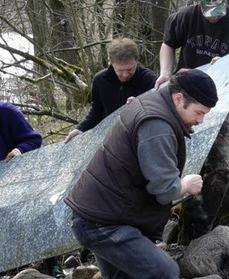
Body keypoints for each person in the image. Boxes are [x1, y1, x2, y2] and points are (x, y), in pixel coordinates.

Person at [65, 69, 218, 279]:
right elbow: (164, 190)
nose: (201, 121)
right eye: (199, 113)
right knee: (165, 272)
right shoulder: (157, 125)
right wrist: (185, 185)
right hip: (102, 222)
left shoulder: (152, 100)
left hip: (102, 214)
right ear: (179, 98)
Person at [154, 0, 229, 240]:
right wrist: (165, 73)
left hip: (221, 96)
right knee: (177, 156)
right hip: (184, 94)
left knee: (222, 164)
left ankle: (201, 227)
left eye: (218, 14)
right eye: (208, 14)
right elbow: (168, 43)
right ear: (198, 2)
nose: (213, 19)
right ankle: (169, 217)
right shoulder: (184, 17)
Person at [64, 38, 156, 143]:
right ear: (112, 63)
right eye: (120, 70)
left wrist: (140, 105)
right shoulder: (100, 80)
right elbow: (97, 111)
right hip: (108, 138)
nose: (125, 75)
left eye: (130, 69)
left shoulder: (149, 79)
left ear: (136, 61)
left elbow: (158, 112)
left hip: (140, 137)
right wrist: (81, 128)